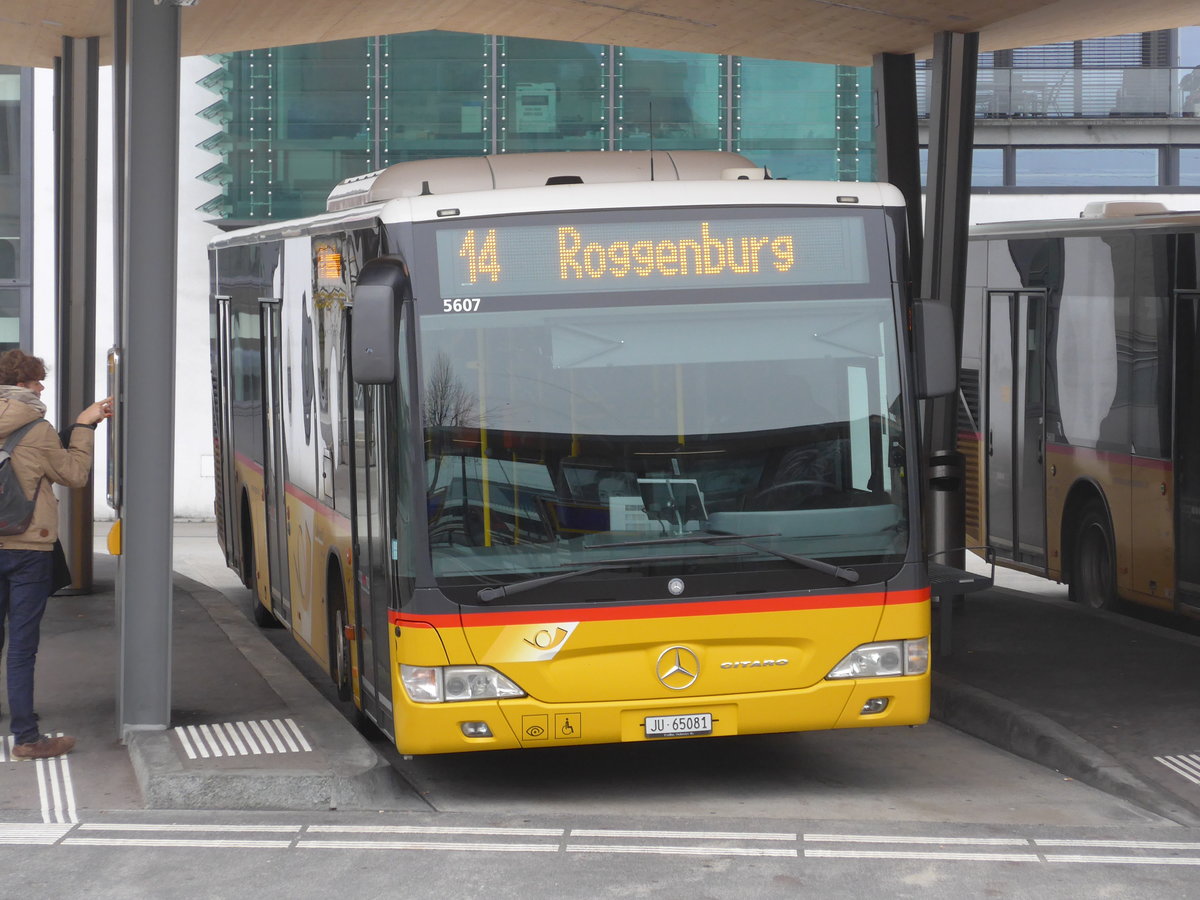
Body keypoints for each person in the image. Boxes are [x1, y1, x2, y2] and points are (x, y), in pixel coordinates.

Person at [0, 349, 111, 760]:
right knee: (22, 647)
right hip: (28, 545)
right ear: (22, 385)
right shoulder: (37, 427)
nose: (42, 386)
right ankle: (27, 738)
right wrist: (84, 426)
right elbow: (74, 474)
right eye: (35, 381)